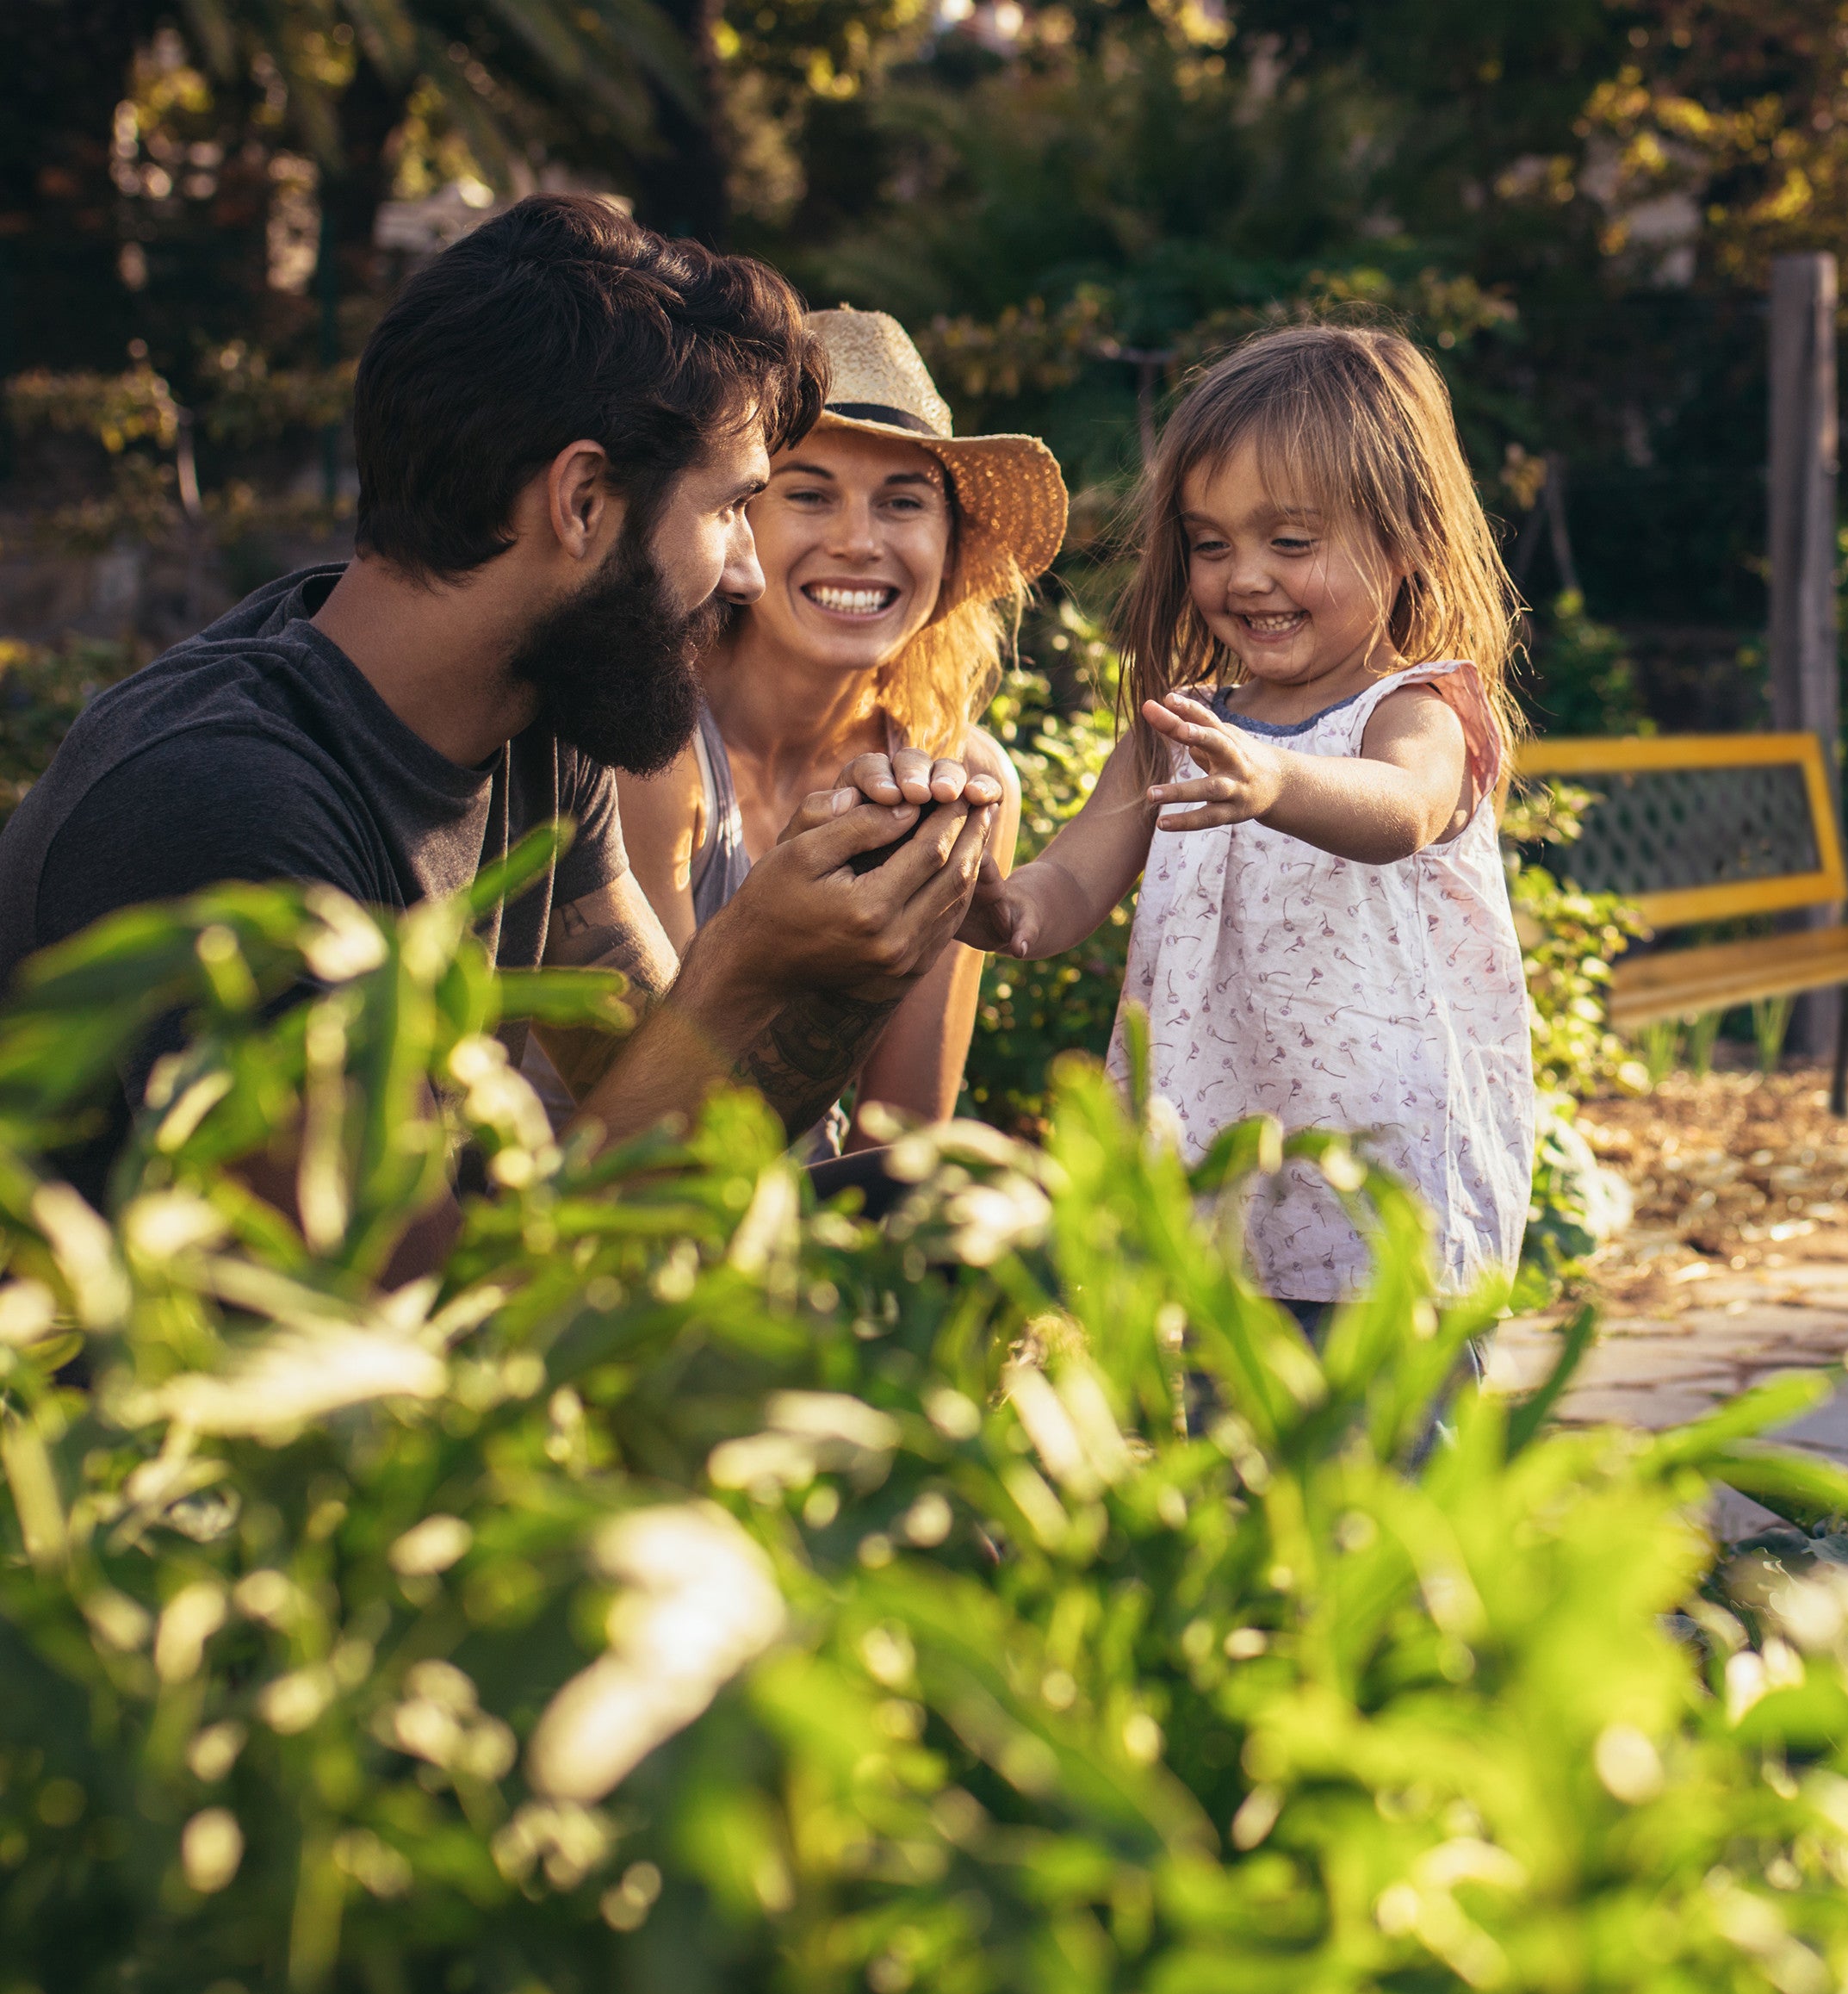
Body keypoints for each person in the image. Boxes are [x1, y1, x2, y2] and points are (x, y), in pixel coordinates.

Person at [0, 196, 998, 1243]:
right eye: (726, 510)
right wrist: (747, 960)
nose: (748, 571)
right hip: (175, 1389)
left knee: (953, 1212)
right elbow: (418, 1340)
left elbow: (677, 1132)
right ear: (580, 502)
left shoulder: (537, 710)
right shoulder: (222, 809)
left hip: (440, 1337)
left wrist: (835, 966)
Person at [959, 323, 1535, 1326]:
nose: (1245, 577)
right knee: (1238, 1464)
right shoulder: (1179, 732)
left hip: (1383, 1195)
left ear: (1403, 544)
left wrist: (1276, 779)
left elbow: (1401, 809)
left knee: (1383, 1465)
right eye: (1210, 543)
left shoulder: (1417, 708)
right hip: (1220, 1194)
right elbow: (1061, 893)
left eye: (1291, 542)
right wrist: (981, 903)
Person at [612, 308, 1064, 1151]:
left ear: (951, 544)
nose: (860, 542)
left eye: (903, 503)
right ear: (738, 520)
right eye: (810, 495)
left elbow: (897, 1138)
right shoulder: (651, 742)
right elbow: (653, 1112)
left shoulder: (958, 778)